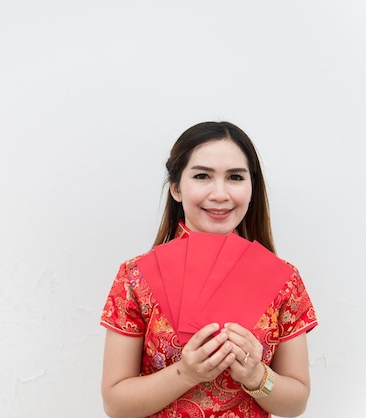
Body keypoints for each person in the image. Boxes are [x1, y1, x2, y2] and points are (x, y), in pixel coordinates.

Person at [100, 121, 318, 418]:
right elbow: (116, 403)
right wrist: (187, 373)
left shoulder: (284, 280)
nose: (220, 194)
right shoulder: (135, 277)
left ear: (252, 187)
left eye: (235, 177)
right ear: (176, 188)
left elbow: (296, 403)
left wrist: (257, 377)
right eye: (202, 176)